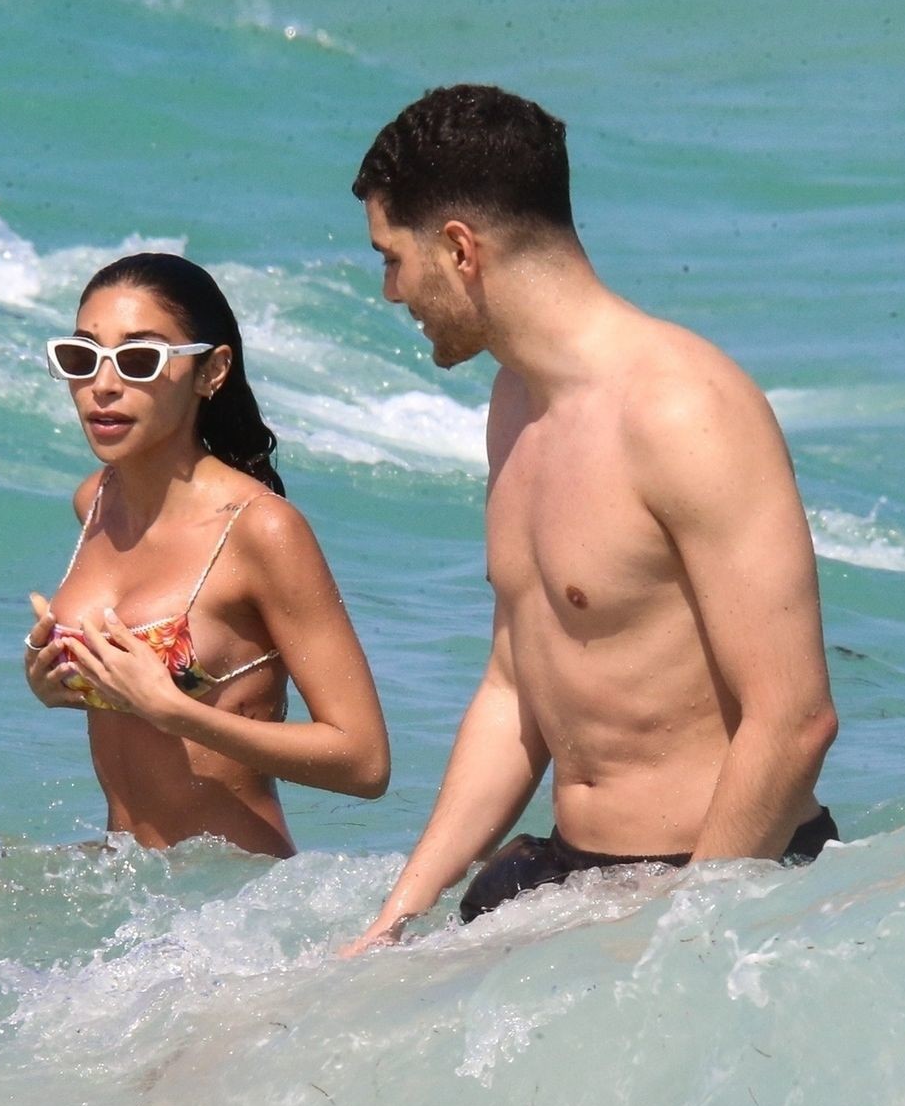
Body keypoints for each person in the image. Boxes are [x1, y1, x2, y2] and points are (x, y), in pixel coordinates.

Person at [342, 86, 839, 950]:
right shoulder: (515, 404)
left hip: (721, 882)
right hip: (577, 877)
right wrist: (396, 916)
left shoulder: (682, 410)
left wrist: (678, 941)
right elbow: (514, 686)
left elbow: (794, 720)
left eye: (393, 258)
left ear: (459, 248)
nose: (391, 291)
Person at [23, 252, 390, 858]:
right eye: (82, 357)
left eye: (139, 360)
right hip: (127, 880)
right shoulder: (96, 501)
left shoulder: (260, 529)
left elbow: (364, 761)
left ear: (211, 371)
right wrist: (53, 683)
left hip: (234, 891)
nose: (103, 385)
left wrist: (179, 713)